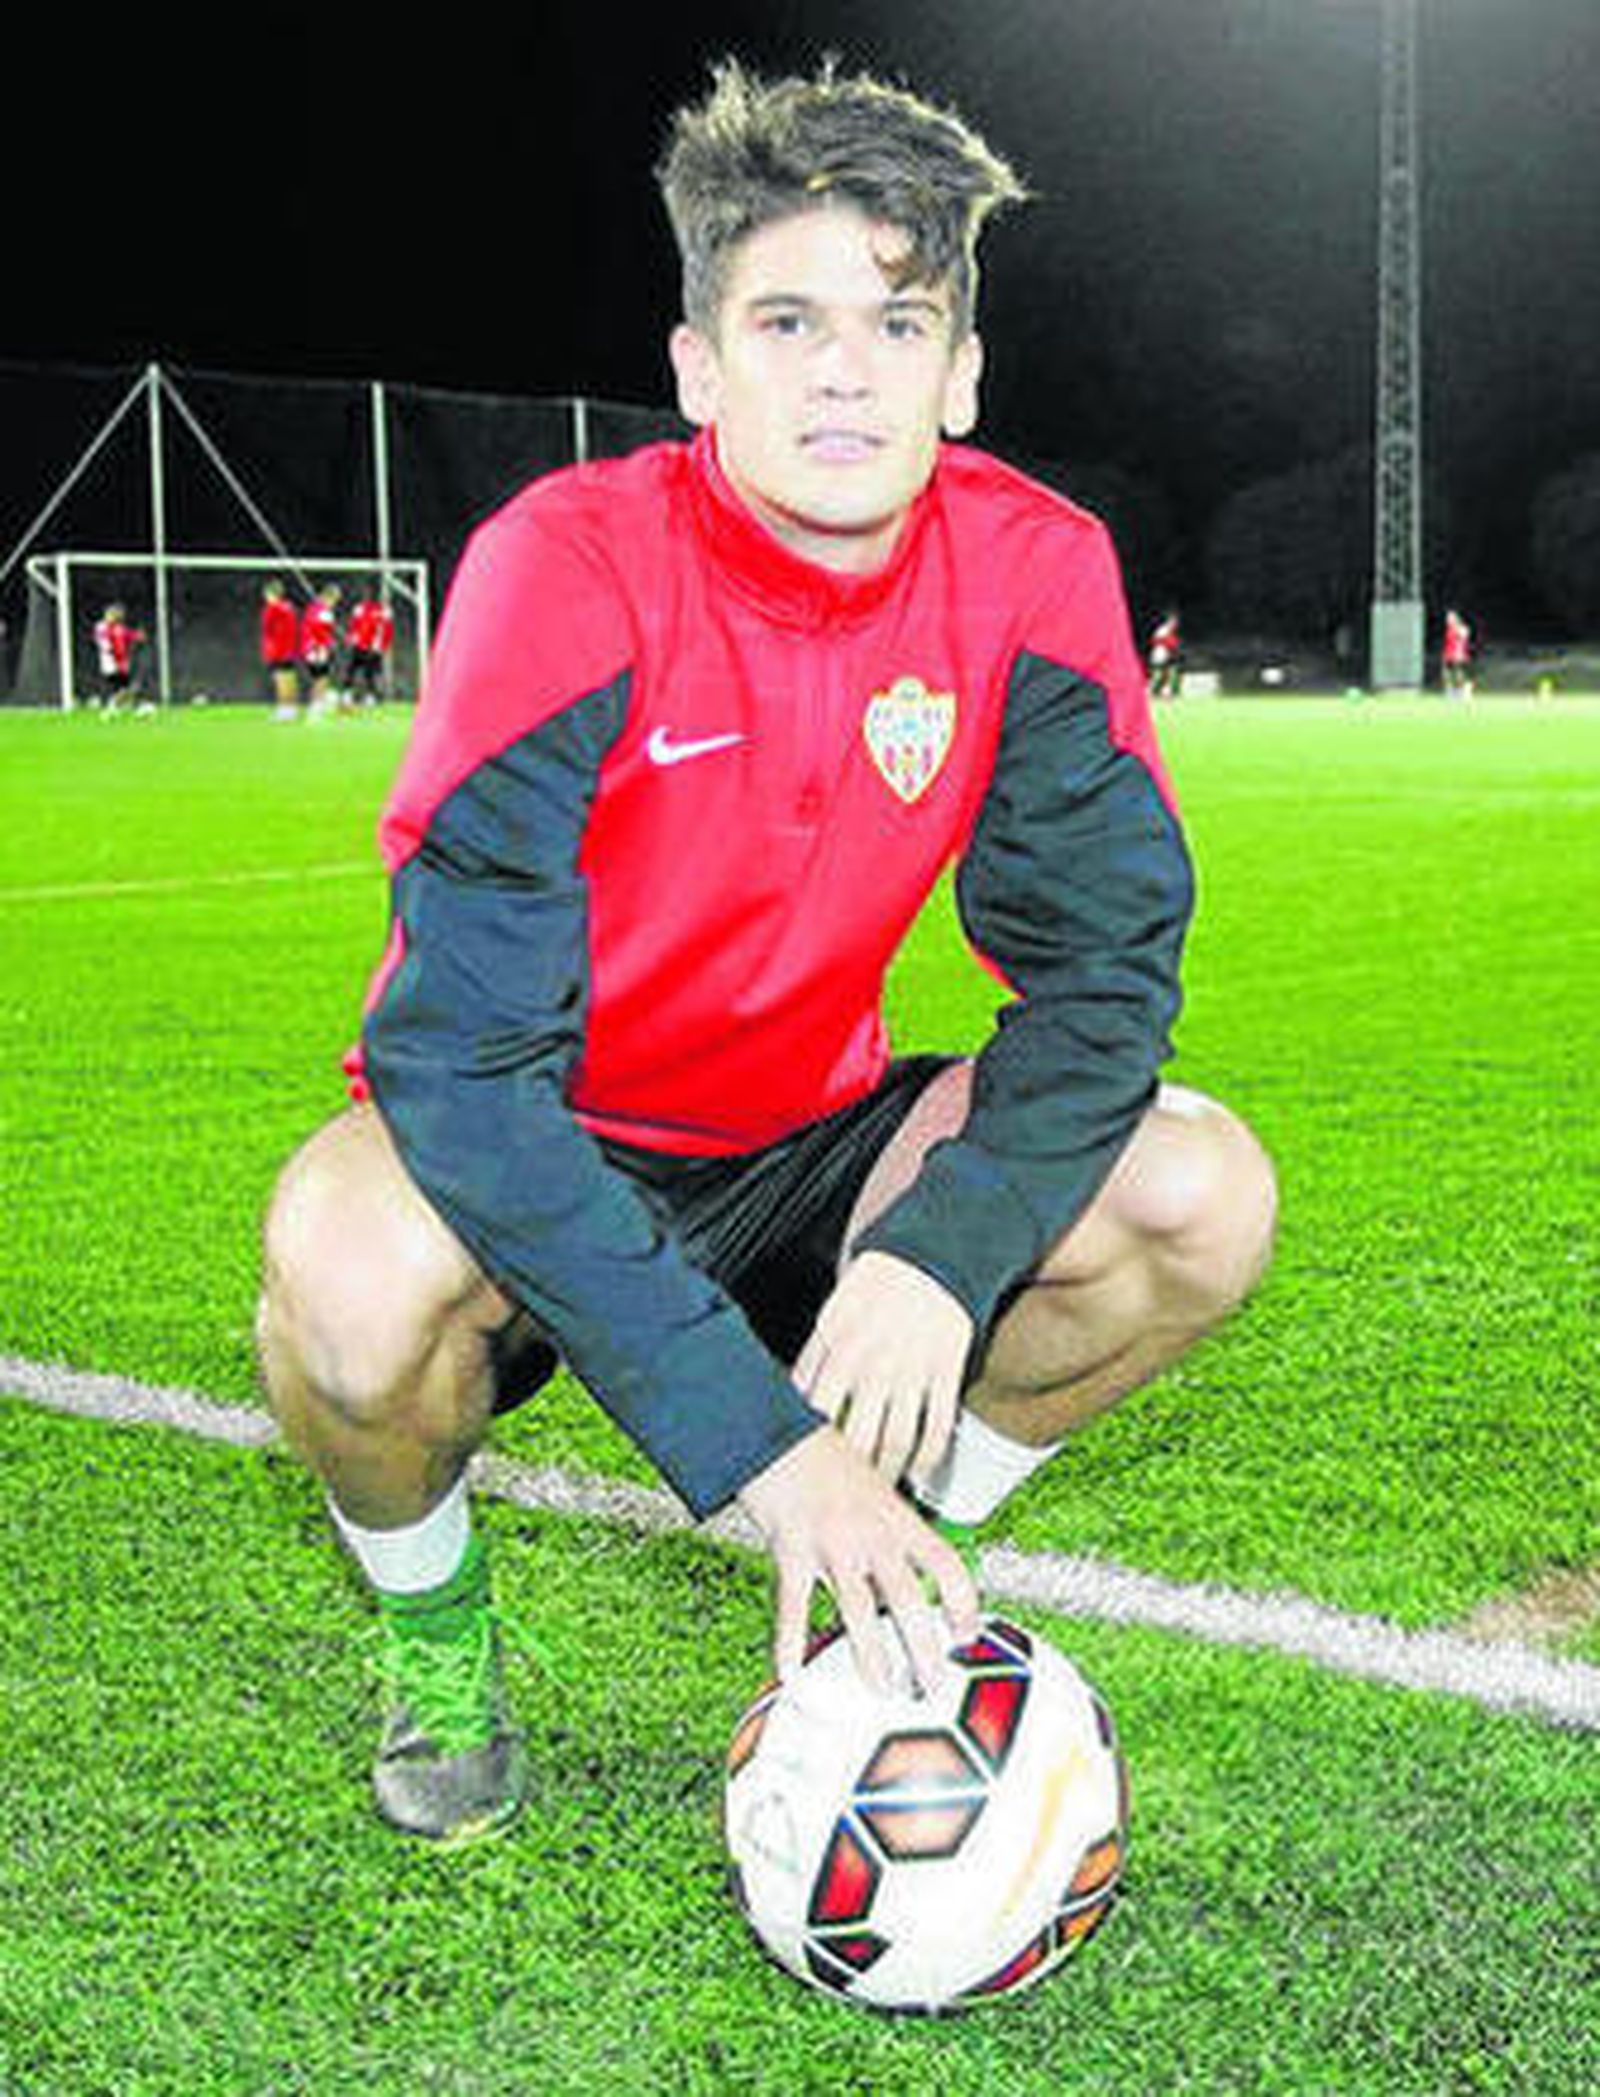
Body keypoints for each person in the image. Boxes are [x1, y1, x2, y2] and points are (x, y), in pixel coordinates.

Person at [258, 59, 1277, 1847]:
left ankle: (896, 1592)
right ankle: (441, 1653)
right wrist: (765, 1443)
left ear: (959, 373)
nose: (841, 368)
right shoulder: (567, 567)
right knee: (341, 1268)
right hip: (548, 1135)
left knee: (1201, 1191)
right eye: (786, 316)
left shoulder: (1036, 571)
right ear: (696, 368)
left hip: (804, 1136)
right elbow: (451, 1057)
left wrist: (943, 1258)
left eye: (899, 320)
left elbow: (1103, 976)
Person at [91, 602, 146, 711]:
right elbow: (102, 640)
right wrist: (108, 647)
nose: (114, 617)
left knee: (125, 686)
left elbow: (129, 635)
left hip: (122, 662)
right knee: (118, 685)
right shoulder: (101, 627)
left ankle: (121, 703)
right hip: (110, 662)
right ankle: (112, 703)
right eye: (111, 614)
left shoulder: (119, 628)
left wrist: (137, 636)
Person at [344, 590, 395, 706]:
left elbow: (388, 630)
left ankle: (371, 696)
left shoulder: (384, 611)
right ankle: (348, 694)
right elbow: (354, 625)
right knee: (352, 669)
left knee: (370, 672)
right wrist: (351, 638)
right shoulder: (360, 608)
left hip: (374, 647)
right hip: (360, 645)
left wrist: (382, 645)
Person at [260, 580, 301, 720]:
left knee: (280, 679)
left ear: (271, 593)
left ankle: (283, 710)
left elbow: (267, 630)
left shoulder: (272, 609)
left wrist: (269, 650)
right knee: (290, 678)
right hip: (290, 649)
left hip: (278, 650)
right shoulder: (289, 607)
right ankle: (292, 709)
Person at [300, 583, 343, 714]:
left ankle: (317, 702)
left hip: (310, 648)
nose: (335, 603)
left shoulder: (313, 609)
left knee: (319, 677)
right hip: (317, 650)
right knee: (321, 677)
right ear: (328, 597)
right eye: (335, 600)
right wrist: (329, 643)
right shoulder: (324, 612)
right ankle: (317, 704)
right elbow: (320, 632)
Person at [1147, 609, 1182, 698]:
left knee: (1166, 675)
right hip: (1159, 655)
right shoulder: (1163, 630)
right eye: (1173, 622)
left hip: (1165, 655)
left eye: (1175, 622)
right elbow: (1156, 642)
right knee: (1157, 675)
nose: (1175, 624)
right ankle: (1149, 693)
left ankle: (1165, 694)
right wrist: (1172, 645)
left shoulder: (1169, 631)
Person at [1442, 608, 1474, 698]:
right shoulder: (1449, 629)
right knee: (1447, 674)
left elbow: (1462, 640)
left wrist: (1458, 654)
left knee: (1459, 674)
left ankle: (1463, 692)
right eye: (1447, 618)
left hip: (1458, 655)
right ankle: (1452, 692)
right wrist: (1445, 654)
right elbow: (1448, 643)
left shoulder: (1459, 628)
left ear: (1455, 619)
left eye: (1450, 618)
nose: (1448, 620)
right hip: (1449, 655)